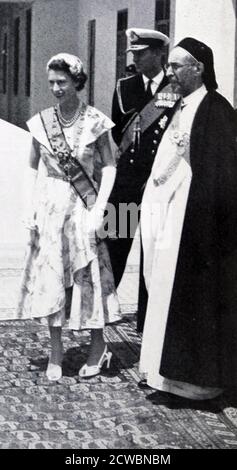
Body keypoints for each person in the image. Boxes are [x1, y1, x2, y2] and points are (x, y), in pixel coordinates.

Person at [139, 37, 237, 400]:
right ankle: (163, 374)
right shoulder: (179, 106)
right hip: (171, 218)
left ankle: (196, 385)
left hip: (197, 226)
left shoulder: (216, 110)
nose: (170, 73)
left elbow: (221, 174)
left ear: (198, 68)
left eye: (177, 66)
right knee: (163, 290)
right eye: (169, 66)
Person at [17, 53, 121, 381]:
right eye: (51, 82)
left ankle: (96, 347)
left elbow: (109, 165)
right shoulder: (41, 122)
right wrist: (30, 205)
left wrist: (101, 208)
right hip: (51, 207)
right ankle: (56, 351)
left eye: (62, 82)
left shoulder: (95, 121)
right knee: (52, 280)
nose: (56, 88)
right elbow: (31, 167)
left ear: (77, 81)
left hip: (83, 207)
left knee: (88, 277)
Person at [107, 28, 179, 332]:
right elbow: (115, 132)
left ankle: (147, 318)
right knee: (115, 243)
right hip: (127, 183)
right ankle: (106, 304)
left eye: (142, 53)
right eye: (133, 54)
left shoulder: (175, 88)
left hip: (160, 183)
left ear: (159, 54)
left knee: (154, 248)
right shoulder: (125, 87)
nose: (136, 58)